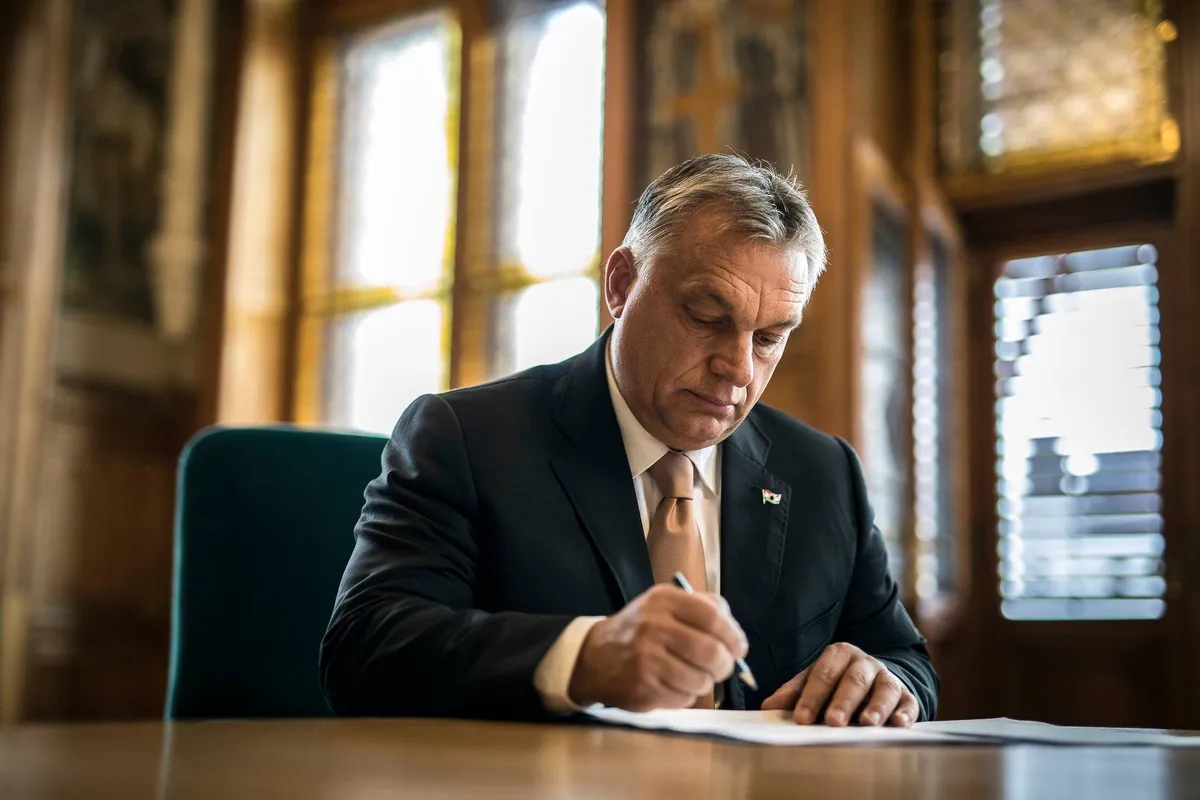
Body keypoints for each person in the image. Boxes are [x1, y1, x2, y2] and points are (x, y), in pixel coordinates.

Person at [320, 154, 938, 725]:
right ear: (620, 284)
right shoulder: (468, 439)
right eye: (706, 318)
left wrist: (888, 681)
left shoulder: (824, 472)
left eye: (770, 337)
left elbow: (904, 658)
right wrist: (584, 657)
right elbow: (364, 649)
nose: (738, 368)